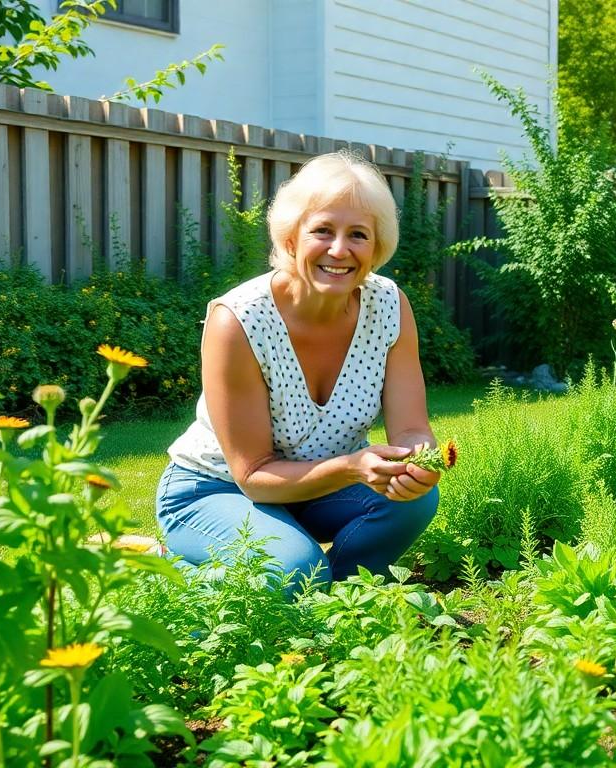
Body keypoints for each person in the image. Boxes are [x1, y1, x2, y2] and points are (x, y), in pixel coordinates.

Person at [155, 152, 440, 593]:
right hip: (217, 490)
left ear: (376, 246)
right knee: (297, 571)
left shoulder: (389, 305)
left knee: (412, 503)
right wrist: (352, 467)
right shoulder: (239, 320)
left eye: (358, 235)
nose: (340, 250)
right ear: (291, 239)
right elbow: (253, 475)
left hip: (317, 489)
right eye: (322, 230)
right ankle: (166, 570)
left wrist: (418, 462)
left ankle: (344, 601)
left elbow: (411, 428)